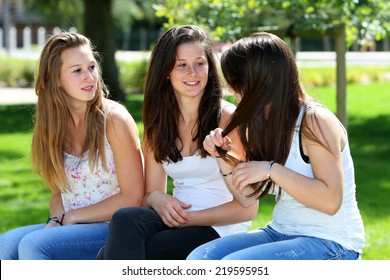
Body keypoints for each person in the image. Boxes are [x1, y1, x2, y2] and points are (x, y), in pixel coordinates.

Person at [187, 32, 365, 260]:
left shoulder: (315, 121)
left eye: (236, 82)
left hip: (333, 241)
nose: (231, 90)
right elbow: (247, 199)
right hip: (280, 232)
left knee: (235, 266)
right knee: (200, 258)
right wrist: (221, 155)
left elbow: (330, 201)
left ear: (259, 81)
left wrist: (271, 169)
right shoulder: (261, 121)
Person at [97, 25, 258, 260]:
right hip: (176, 219)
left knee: (116, 255)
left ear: (209, 67)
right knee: (125, 219)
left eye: (199, 63)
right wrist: (157, 198)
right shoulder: (158, 123)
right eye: (181, 65)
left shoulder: (227, 119)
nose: (192, 72)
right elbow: (150, 192)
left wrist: (187, 219)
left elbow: (247, 209)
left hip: (220, 227)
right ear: (166, 72)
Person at [0, 32, 144, 260]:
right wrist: (58, 220)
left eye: (92, 67)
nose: (89, 77)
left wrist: (73, 217)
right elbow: (58, 193)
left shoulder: (114, 120)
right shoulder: (53, 126)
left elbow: (133, 197)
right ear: (56, 78)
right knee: (6, 243)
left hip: (117, 228)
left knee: (35, 245)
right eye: (77, 71)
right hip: (72, 224)